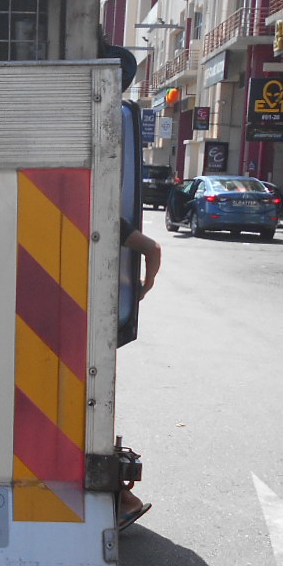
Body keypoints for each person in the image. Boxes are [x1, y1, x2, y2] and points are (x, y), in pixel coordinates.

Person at [118, 220, 160, 531]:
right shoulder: (97, 211)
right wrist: (145, 286)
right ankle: (121, 498)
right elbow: (152, 248)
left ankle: (122, 498)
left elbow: (152, 248)